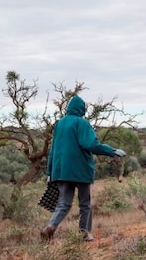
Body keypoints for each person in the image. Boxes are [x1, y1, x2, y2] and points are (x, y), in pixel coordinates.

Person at [41, 95, 126, 242]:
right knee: (85, 203)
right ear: (81, 108)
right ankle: (85, 233)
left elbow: (53, 149)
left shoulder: (60, 124)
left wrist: (50, 172)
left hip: (60, 171)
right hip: (80, 171)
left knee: (63, 203)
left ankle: (50, 228)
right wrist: (111, 151)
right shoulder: (82, 123)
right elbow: (91, 145)